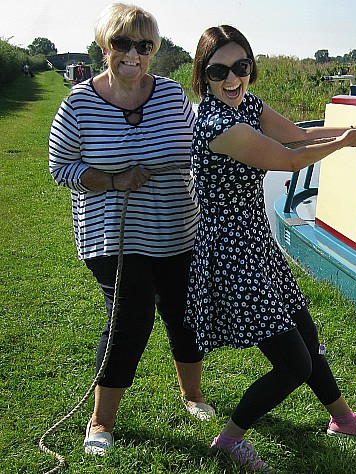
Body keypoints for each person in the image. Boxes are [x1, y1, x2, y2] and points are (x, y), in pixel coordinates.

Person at [184, 25, 356, 472]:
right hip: (230, 255)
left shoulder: (248, 105)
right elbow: (284, 158)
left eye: (240, 67)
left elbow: (299, 134)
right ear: (202, 76)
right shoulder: (216, 125)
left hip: (256, 245)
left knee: (307, 336)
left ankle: (342, 419)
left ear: (251, 68)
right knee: (292, 366)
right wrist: (343, 143)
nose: (231, 79)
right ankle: (229, 439)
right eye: (218, 70)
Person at [48, 3, 214, 456]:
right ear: (105, 46)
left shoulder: (172, 95)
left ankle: (193, 396)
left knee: (184, 314)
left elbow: (200, 148)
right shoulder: (77, 104)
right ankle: (100, 421)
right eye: (123, 43)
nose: (133, 54)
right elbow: (60, 167)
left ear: (154, 50)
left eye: (145, 45)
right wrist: (112, 179)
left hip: (177, 229)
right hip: (111, 236)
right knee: (131, 318)